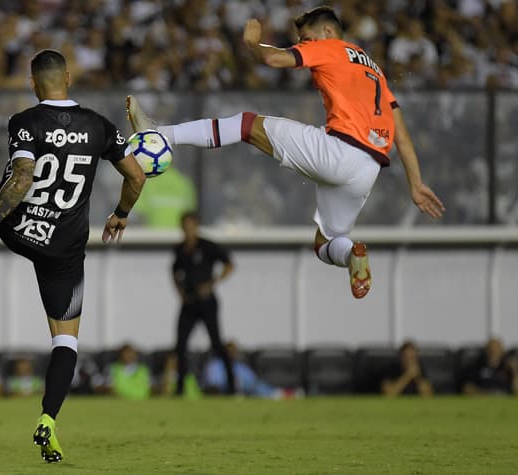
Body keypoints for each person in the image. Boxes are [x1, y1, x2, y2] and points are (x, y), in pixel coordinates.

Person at [126, 6, 445, 299]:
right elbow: (400, 134)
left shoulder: (331, 48)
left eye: (306, 39)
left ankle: (159, 133)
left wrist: (253, 43)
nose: (304, 45)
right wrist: (415, 183)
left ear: (328, 33)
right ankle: (353, 256)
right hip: (368, 169)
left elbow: (274, 60)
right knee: (325, 244)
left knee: (247, 124)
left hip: (339, 149)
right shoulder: (374, 70)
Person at [0, 49, 146, 463]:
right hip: (65, 246)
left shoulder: (24, 122)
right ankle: (49, 417)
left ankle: (48, 422)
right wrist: (120, 215)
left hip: (21, 231)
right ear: (69, 78)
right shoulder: (99, 126)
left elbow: (23, 176)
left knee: (13, 174)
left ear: (33, 82)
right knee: (65, 339)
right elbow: (135, 176)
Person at [172, 211, 236, 396]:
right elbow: (175, 272)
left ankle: (231, 386)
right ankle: (180, 389)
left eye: (191, 226)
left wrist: (213, 283)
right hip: (189, 303)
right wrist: (180, 293)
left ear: (196, 226)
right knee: (181, 345)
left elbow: (229, 265)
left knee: (216, 343)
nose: (188, 230)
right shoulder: (180, 249)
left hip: (207, 302)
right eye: (185, 226)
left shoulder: (207, 246)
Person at [204, 341, 300, 399]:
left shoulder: (238, 366)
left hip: (247, 389)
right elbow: (213, 383)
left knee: (257, 386)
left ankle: (279, 394)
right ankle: (279, 394)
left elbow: (252, 379)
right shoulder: (215, 365)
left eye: (234, 351)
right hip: (224, 391)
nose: (233, 354)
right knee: (256, 387)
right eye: (230, 351)